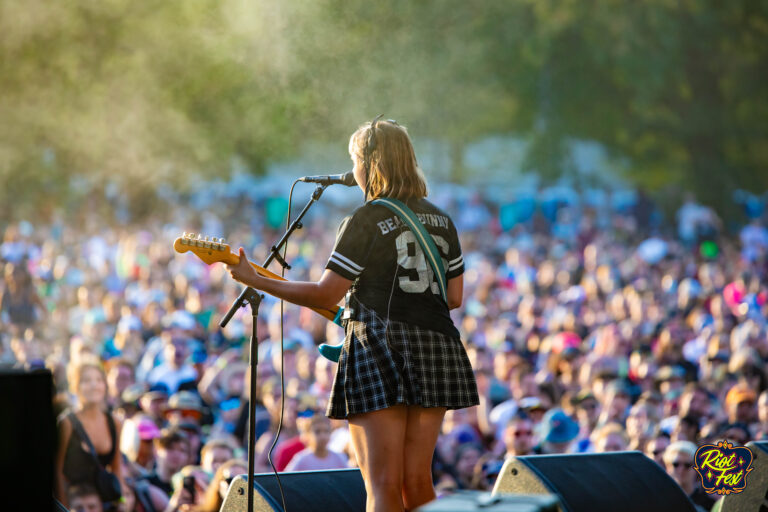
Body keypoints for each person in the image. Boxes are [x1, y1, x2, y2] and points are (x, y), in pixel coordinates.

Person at [225, 117, 478, 511]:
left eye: (355, 160)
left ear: (369, 163)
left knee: (381, 486)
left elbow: (326, 292)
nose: (353, 170)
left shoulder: (366, 219)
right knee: (418, 482)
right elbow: (455, 296)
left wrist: (256, 280)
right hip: (437, 349)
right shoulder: (442, 220)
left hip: (380, 349)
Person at [55, 358, 125, 510]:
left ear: (105, 385)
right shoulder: (66, 423)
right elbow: (57, 471)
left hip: (102, 501)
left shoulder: (115, 422)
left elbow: (116, 467)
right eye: (86, 380)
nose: (94, 385)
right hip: (74, 502)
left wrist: (121, 503)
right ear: (76, 386)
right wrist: (64, 507)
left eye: (99, 380)